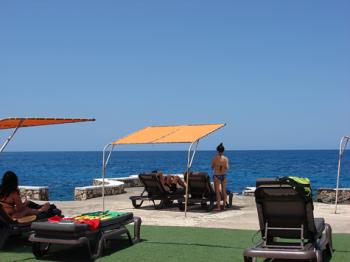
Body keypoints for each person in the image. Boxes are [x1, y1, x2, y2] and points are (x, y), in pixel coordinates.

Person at [211, 143, 229, 211]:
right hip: (223, 175)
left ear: (217, 150)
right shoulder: (226, 159)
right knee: (224, 191)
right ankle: (224, 206)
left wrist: (217, 166)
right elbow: (227, 168)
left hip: (217, 175)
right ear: (223, 151)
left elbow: (212, 167)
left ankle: (218, 207)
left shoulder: (214, 158)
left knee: (218, 192)